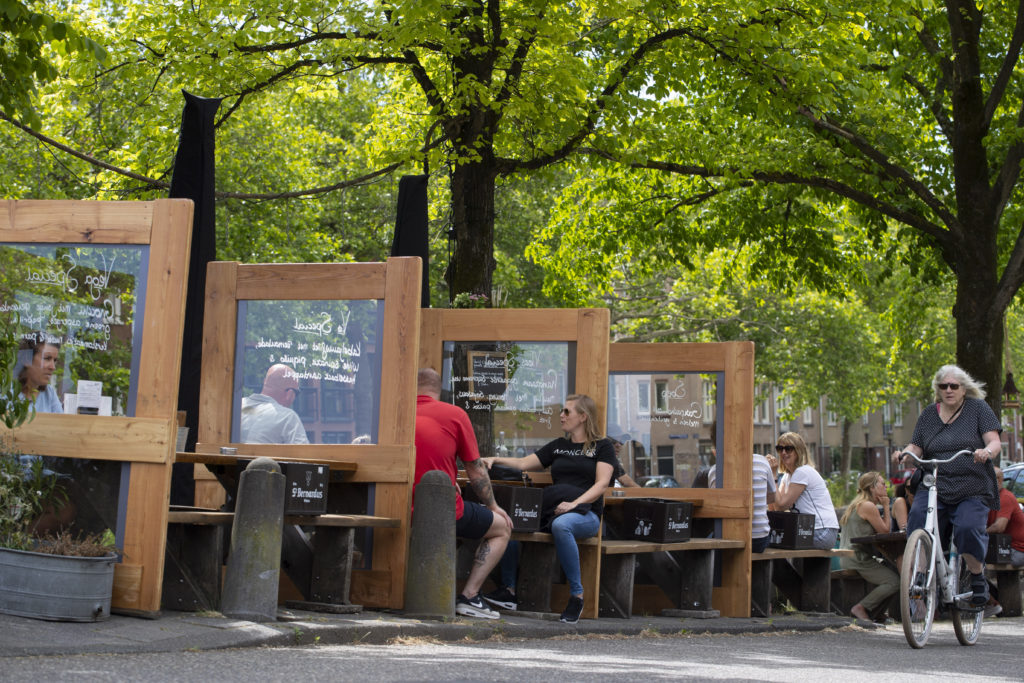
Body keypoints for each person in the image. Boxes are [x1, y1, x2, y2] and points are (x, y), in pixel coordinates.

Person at [482, 394, 616, 624]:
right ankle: (509, 591)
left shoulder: (602, 447)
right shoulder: (559, 446)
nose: (561, 415)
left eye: (567, 411)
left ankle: (576, 596)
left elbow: (601, 483)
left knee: (562, 526)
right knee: (511, 521)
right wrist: (494, 458)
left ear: (583, 417)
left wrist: (575, 504)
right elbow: (524, 463)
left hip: (586, 515)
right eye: (562, 411)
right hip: (552, 510)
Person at [897, 364, 1001, 607]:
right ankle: (920, 575)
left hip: (971, 485)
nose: (949, 390)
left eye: (954, 386)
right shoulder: (928, 415)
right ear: (938, 390)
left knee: (967, 528)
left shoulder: (978, 409)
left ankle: (977, 577)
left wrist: (986, 452)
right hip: (935, 483)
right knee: (918, 520)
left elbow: (995, 441)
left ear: (964, 389)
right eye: (943, 386)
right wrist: (905, 453)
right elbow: (915, 446)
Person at [414, 368, 512, 619]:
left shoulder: (395, 412)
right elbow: (476, 470)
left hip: (397, 504)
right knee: (502, 527)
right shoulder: (454, 414)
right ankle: (469, 596)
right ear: (439, 388)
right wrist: (493, 506)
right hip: (441, 510)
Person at [839, 472, 899, 621]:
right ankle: (861, 607)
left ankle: (876, 613)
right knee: (894, 581)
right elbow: (885, 531)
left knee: (889, 570)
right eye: (882, 484)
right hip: (857, 558)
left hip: (849, 556)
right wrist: (886, 506)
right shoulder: (867, 506)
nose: (886, 487)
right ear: (872, 488)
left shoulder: (856, 504)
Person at [772, 432, 839, 549]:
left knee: (776, 541)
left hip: (823, 531)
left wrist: (773, 476)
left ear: (798, 451)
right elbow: (776, 507)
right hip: (806, 531)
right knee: (774, 540)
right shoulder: (787, 477)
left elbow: (782, 505)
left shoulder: (803, 471)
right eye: (780, 449)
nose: (783, 453)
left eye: (788, 449)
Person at [708, 453, 777, 552]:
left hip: (727, 538)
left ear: (715, 451)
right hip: (758, 540)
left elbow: (714, 506)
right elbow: (773, 498)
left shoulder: (715, 470)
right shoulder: (762, 462)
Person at [240, 364, 309, 444]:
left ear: (265, 381)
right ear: (290, 394)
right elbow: (303, 453)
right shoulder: (287, 417)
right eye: (297, 393)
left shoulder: (237, 405)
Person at [16, 332, 63, 413]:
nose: (53, 367)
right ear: (27, 359)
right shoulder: (6, 392)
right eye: (47, 358)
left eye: (54, 360)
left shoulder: (49, 393)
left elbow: (61, 424)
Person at [987, 467, 1024, 567]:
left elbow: (999, 527)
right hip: (1003, 546)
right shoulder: (989, 498)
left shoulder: (1005, 497)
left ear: (998, 480)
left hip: (1018, 550)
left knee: (981, 559)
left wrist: (979, 533)